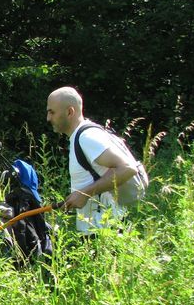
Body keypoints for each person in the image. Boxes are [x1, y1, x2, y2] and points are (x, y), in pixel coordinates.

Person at [46, 86, 138, 234]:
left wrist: (84, 193)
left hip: (105, 232)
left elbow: (127, 168)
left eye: (52, 112)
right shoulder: (81, 136)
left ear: (70, 112)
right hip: (99, 230)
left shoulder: (87, 138)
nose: (48, 118)